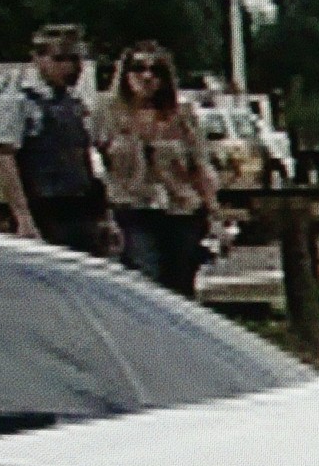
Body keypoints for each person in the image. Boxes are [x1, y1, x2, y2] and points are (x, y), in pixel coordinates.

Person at [93, 40, 222, 298]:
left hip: (180, 209)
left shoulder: (182, 114)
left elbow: (200, 166)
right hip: (132, 208)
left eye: (156, 70)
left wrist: (214, 214)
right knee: (146, 281)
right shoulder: (106, 112)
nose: (147, 76)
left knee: (181, 286)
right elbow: (96, 164)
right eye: (138, 69)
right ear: (125, 73)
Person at [0, 23, 115, 257]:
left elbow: (87, 161)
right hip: (44, 207)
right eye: (60, 59)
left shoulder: (73, 103)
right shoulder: (16, 101)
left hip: (80, 207)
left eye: (76, 60)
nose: (70, 68)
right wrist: (23, 217)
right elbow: (4, 158)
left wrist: (104, 216)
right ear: (38, 59)